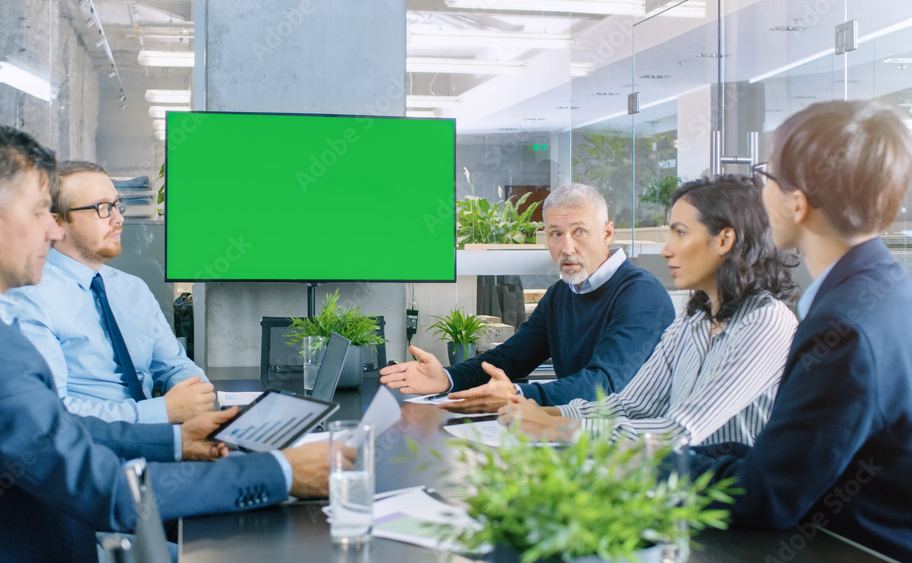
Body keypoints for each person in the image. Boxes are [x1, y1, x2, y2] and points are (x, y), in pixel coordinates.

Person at [0, 122, 347, 562]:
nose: (52, 230)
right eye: (41, 212)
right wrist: (282, 472)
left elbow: (50, 434)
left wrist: (176, 442)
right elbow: (103, 489)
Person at [682, 100, 912, 561]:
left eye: (766, 178)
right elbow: (794, 456)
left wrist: (635, 465)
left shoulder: (843, 329)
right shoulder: (887, 291)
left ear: (797, 203)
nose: (760, 192)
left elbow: (767, 496)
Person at [497, 175, 799, 447]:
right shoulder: (693, 323)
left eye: (680, 233)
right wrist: (539, 412)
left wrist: (558, 427)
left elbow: (677, 432)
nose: (667, 249)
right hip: (681, 483)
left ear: (724, 240)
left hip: (731, 499)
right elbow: (628, 405)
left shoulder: (766, 320)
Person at [381, 183, 675, 412]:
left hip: (635, 445)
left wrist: (517, 395)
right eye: (555, 234)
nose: (567, 247)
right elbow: (510, 358)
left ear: (607, 233)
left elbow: (605, 384)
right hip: (576, 430)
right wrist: (446, 378)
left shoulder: (640, 294)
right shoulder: (563, 293)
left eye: (580, 231)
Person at [10, 161, 212, 424]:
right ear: (55, 222)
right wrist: (162, 412)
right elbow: (53, 413)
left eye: (118, 204)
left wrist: (198, 399)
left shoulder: (132, 288)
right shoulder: (30, 298)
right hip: (97, 449)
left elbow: (175, 366)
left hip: (165, 433)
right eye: (102, 208)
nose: (119, 219)